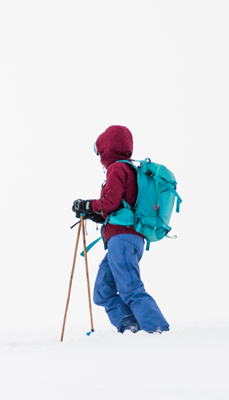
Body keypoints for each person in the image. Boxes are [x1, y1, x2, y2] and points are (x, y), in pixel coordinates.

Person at [72, 125, 170, 334]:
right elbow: (119, 207)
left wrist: (87, 205)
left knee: (130, 287)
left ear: (107, 148)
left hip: (123, 240)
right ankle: (129, 326)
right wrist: (94, 212)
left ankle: (157, 329)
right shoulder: (130, 171)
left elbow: (108, 203)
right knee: (102, 290)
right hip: (125, 239)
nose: (99, 156)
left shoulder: (117, 168)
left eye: (99, 151)